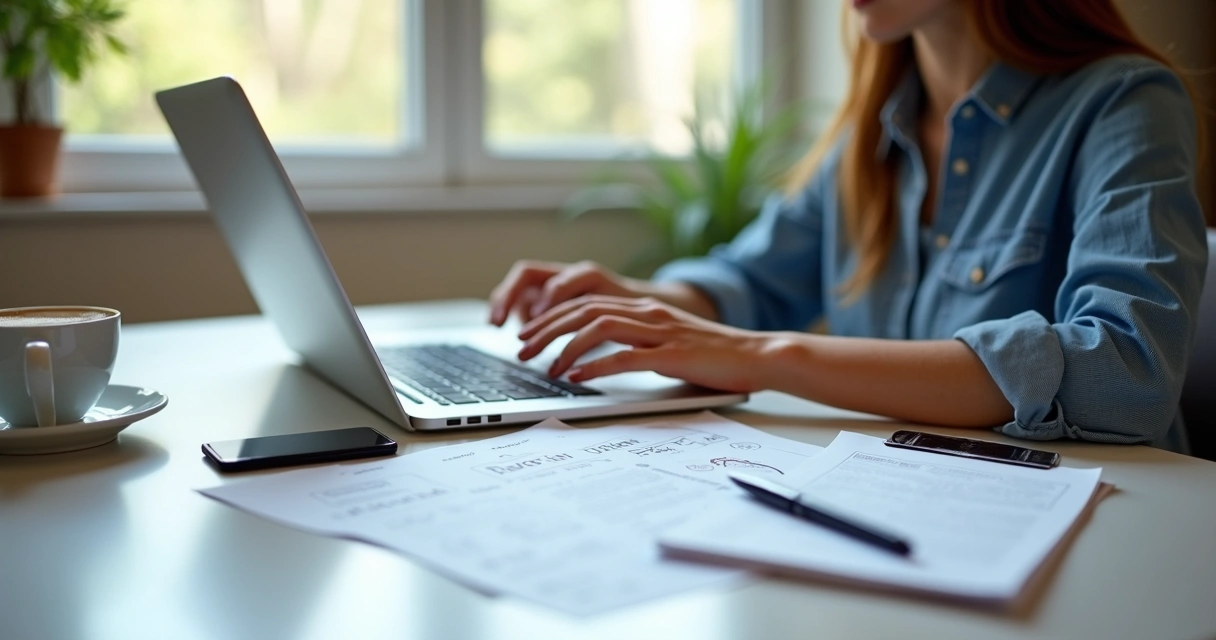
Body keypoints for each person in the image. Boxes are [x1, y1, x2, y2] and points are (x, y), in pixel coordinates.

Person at [487, 0, 1209, 452]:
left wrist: (765, 356)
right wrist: (634, 302)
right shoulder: (869, 134)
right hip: (904, 493)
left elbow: (1127, 371)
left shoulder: (1123, 102)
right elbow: (751, 282)